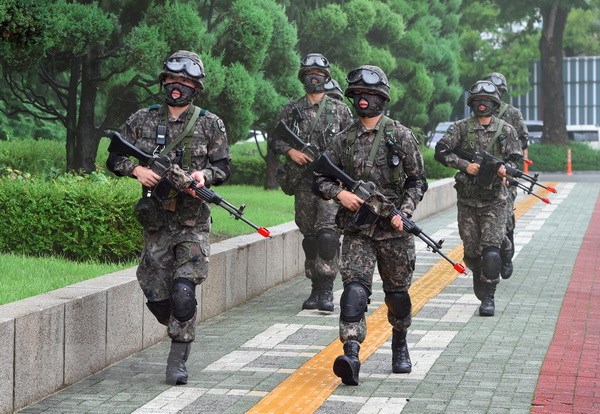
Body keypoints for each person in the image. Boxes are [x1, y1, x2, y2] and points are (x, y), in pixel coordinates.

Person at [106, 50, 231, 385]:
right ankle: (175, 322)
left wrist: (204, 176)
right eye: (173, 80)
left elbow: (223, 167)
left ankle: (178, 361)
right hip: (156, 224)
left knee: (183, 292)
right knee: (158, 295)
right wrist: (136, 170)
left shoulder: (209, 123)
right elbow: (113, 157)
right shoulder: (141, 120)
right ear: (164, 81)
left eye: (186, 81)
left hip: (193, 223)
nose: (178, 87)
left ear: (196, 86)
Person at [314, 65, 428, 385]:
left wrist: (402, 213)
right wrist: (341, 194)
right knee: (353, 292)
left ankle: (400, 341)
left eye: (371, 95)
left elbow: (417, 181)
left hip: (394, 232)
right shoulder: (343, 140)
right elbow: (320, 178)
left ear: (382, 98)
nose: (364, 101)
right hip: (358, 230)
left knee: (398, 297)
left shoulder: (400, 135)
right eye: (359, 95)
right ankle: (351, 354)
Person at [269, 53, 353, 312]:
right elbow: (275, 138)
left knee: (328, 236)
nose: (313, 77)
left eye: (318, 73)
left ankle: (326, 290)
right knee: (311, 237)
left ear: (326, 77)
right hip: (303, 183)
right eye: (308, 74)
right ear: (303, 77)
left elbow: (353, 142)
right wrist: (290, 152)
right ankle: (315, 288)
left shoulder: (340, 110)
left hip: (330, 184)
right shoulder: (291, 110)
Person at [434, 80, 522, 317]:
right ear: (472, 103)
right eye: (478, 102)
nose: (482, 106)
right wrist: (465, 166)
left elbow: (516, 158)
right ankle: (492, 256)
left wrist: (506, 169)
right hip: (467, 199)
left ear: (495, 104)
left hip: (495, 199)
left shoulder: (506, 130)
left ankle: (489, 297)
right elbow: (441, 151)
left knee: (490, 252)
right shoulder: (461, 128)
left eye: (487, 102)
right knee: (472, 252)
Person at [485, 72, 529, 279]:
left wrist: (512, 170)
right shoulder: (478, 113)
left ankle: (506, 252)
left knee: (505, 218)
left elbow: (523, 143)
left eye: (498, 92)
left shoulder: (512, 114)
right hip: (482, 176)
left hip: (506, 176)